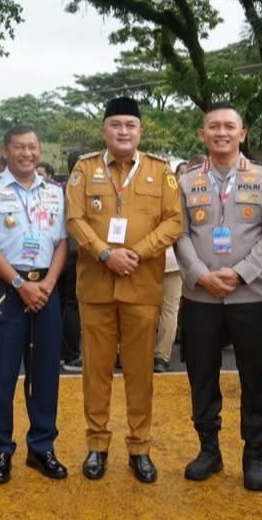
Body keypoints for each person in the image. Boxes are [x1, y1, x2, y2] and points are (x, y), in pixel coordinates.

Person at [64, 96, 183, 483]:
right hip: (96, 287)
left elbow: (174, 221)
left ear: (140, 131)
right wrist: (104, 254)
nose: (123, 131)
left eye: (130, 125)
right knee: (96, 371)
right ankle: (97, 445)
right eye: (116, 124)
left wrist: (136, 252)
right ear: (104, 130)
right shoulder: (84, 170)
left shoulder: (160, 171)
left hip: (141, 285)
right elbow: (74, 219)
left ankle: (139, 448)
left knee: (140, 372)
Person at [174, 102, 262, 491]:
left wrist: (240, 273)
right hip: (200, 295)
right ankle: (209, 450)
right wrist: (201, 275)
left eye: (229, 126)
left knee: (255, 377)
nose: (221, 132)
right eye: (214, 126)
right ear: (202, 134)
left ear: (243, 133)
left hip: (250, 294)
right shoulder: (186, 182)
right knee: (201, 375)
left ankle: (254, 454)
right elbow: (179, 233)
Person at [0, 124, 69, 484]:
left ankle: (41, 447)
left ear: (40, 150)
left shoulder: (55, 192)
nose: (27, 153)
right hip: (5, 289)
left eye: (32, 147)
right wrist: (19, 284)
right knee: (2, 375)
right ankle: (0, 451)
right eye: (19, 147)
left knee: (45, 374)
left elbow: (62, 242)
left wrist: (48, 284)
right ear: (6, 150)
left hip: (45, 286)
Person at [60, 150, 84, 373]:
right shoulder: (78, 188)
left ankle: (63, 352)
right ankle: (71, 354)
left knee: (64, 304)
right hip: (76, 252)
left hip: (62, 252)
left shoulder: (60, 188)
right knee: (73, 304)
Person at [154, 247, 181, 373]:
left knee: (144, 308)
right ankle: (162, 358)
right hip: (173, 260)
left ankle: (131, 353)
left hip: (147, 261)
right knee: (170, 310)